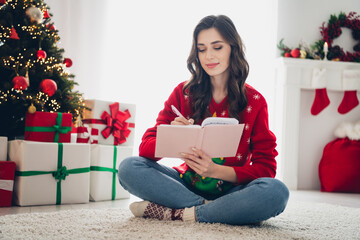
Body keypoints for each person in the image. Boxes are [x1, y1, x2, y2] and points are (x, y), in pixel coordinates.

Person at [118, 15, 289, 225]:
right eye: (202, 49)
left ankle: (182, 213)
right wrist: (172, 134)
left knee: (276, 192)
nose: (209, 56)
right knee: (128, 167)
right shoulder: (183, 93)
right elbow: (145, 149)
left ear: (232, 49)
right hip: (185, 184)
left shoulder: (255, 101)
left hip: (233, 190)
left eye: (217, 47)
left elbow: (266, 167)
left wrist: (215, 170)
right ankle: (211, 211)